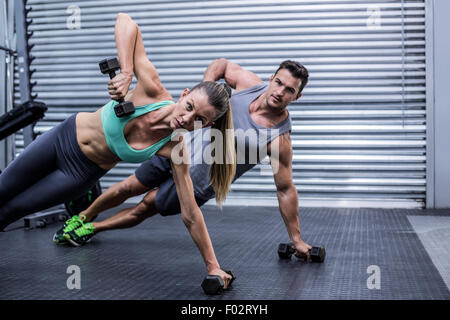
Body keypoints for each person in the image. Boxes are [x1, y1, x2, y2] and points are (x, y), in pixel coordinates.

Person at [0, 13, 236, 286]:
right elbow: (125, 21)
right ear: (184, 95)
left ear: (207, 126)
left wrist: (213, 266)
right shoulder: (151, 89)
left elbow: (191, 213)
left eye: (199, 120)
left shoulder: (174, 149)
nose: (186, 119)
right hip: (61, 139)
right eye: (189, 107)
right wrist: (126, 72)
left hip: (78, 174)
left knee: (9, 212)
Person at [57, 57, 314, 261]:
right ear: (272, 78)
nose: (280, 91)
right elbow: (222, 64)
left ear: (297, 97)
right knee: (128, 186)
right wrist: (206, 87)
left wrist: (296, 239)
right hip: (177, 148)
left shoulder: (278, 139)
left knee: (146, 205)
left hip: (198, 182)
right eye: (279, 82)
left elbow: (285, 189)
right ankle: (83, 216)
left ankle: (92, 229)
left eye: (289, 90)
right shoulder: (249, 84)